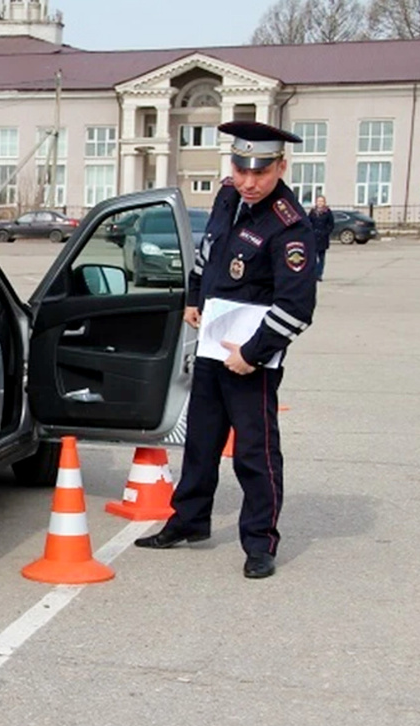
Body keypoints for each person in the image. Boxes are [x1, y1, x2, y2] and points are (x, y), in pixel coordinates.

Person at [134, 121, 319, 579]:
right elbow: (208, 253)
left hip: (250, 356)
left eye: (260, 172)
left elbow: (297, 306)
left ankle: (260, 543)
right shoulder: (227, 198)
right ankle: (189, 521)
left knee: (255, 453)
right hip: (215, 345)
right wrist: (194, 297)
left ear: (281, 166)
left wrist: (253, 353)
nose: (249, 182)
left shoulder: (290, 227)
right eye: (241, 169)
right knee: (200, 441)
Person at [309, 195, 335, 281]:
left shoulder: (327, 212)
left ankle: (319, 274)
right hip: (314, 237)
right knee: (313, 258)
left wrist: (326, 232)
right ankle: (313, 274)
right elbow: (308, 223)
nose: (320, 203)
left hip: (323, 238)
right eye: (318, 201)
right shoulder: (312, 212)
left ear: (324, 203)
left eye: (322, 201)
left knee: (321, 258)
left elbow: (331, 224)